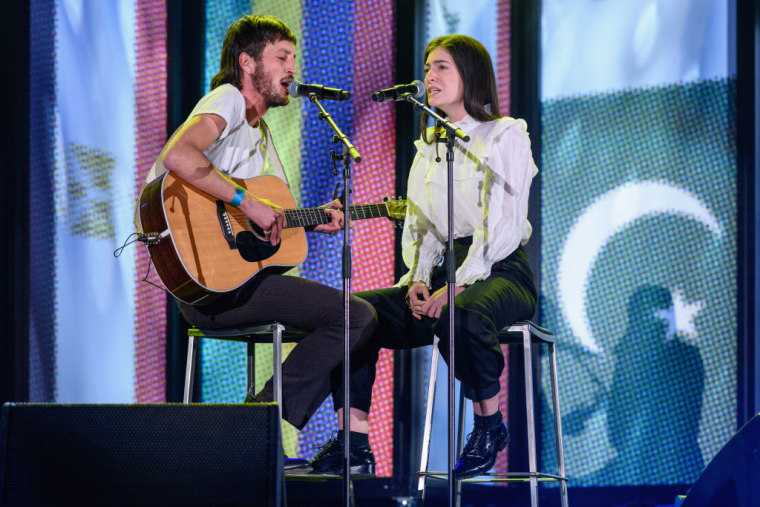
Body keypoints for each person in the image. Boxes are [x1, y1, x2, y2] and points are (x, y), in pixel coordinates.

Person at [136, 14, 377, 466]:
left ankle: (295, 434)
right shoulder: (227, 99)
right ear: (247, 63)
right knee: (356, 316)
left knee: (360, 315)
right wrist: (246, 202)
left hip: (236, 283)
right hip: (207, 288)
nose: (292, 69)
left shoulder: (262, 134)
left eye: (294, 58)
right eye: (281, 57)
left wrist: (309, 220)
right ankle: (256, 424)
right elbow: (178, 155)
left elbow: (270, 220)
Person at [310, 34, 538, 480]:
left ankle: (489, 427)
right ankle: (354, 443)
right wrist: (417, 276)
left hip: (499, 268)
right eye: (428, 68)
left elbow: (505, 225)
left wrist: (459, 283)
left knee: (463, 314)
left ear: (470, 74)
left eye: (442, 68)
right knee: (353, 312)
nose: (430, 77)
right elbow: (422, 225)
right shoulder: (429, 146)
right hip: (440, 273)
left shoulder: (505, 135)